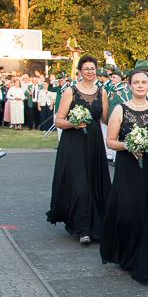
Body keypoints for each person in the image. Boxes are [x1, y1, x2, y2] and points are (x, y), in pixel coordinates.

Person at [99, 70, 148, 283]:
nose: (140, 86)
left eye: (143, 82)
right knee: (128, 211)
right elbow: (110, 141)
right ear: (129, 85)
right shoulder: (120, 109)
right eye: (136, 82)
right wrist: (128, 145)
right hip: (127, 167)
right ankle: (127, 254)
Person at [46, 55, 111, 245]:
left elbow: (106, 119)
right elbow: (58, 120)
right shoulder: (70, 92)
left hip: (94, 143)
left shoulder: (102, 93)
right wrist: (73, 123)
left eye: (93, 68)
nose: (90, 72)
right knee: (80, 185)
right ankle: (82, 228)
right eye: (87, 68)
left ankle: (96, 225)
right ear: (80, 71)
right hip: (73, 142)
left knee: (94, 184)